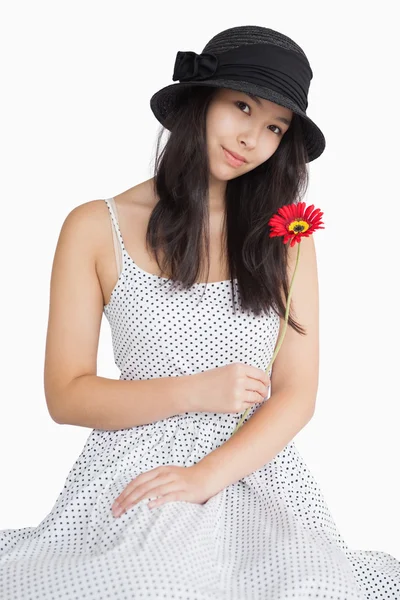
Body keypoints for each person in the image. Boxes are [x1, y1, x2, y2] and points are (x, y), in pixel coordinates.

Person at [1, 24, 399, 600]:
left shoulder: (286, 237)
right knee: (154, 586)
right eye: (242, 106)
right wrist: (196, 392)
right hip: (139, 471)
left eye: (274, 127)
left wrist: (206, 476)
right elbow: (67, 395)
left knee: (310, 589)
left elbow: (297, 394)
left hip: (257, 473)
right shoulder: (94, 227)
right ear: (200, 101)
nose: (251, 139)